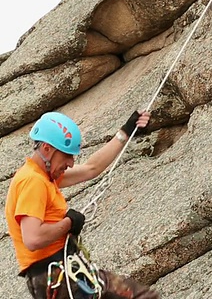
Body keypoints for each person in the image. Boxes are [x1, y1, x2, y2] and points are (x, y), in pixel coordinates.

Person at [5, 110, 160, 299]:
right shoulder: (32, 181)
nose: (70, 163)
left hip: (64, 270)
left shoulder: (44, 177)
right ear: (47, 149)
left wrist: (126, 132)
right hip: (55, 275)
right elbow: (33, 239)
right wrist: (69, 223)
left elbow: (91, 169)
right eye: (67, 156)